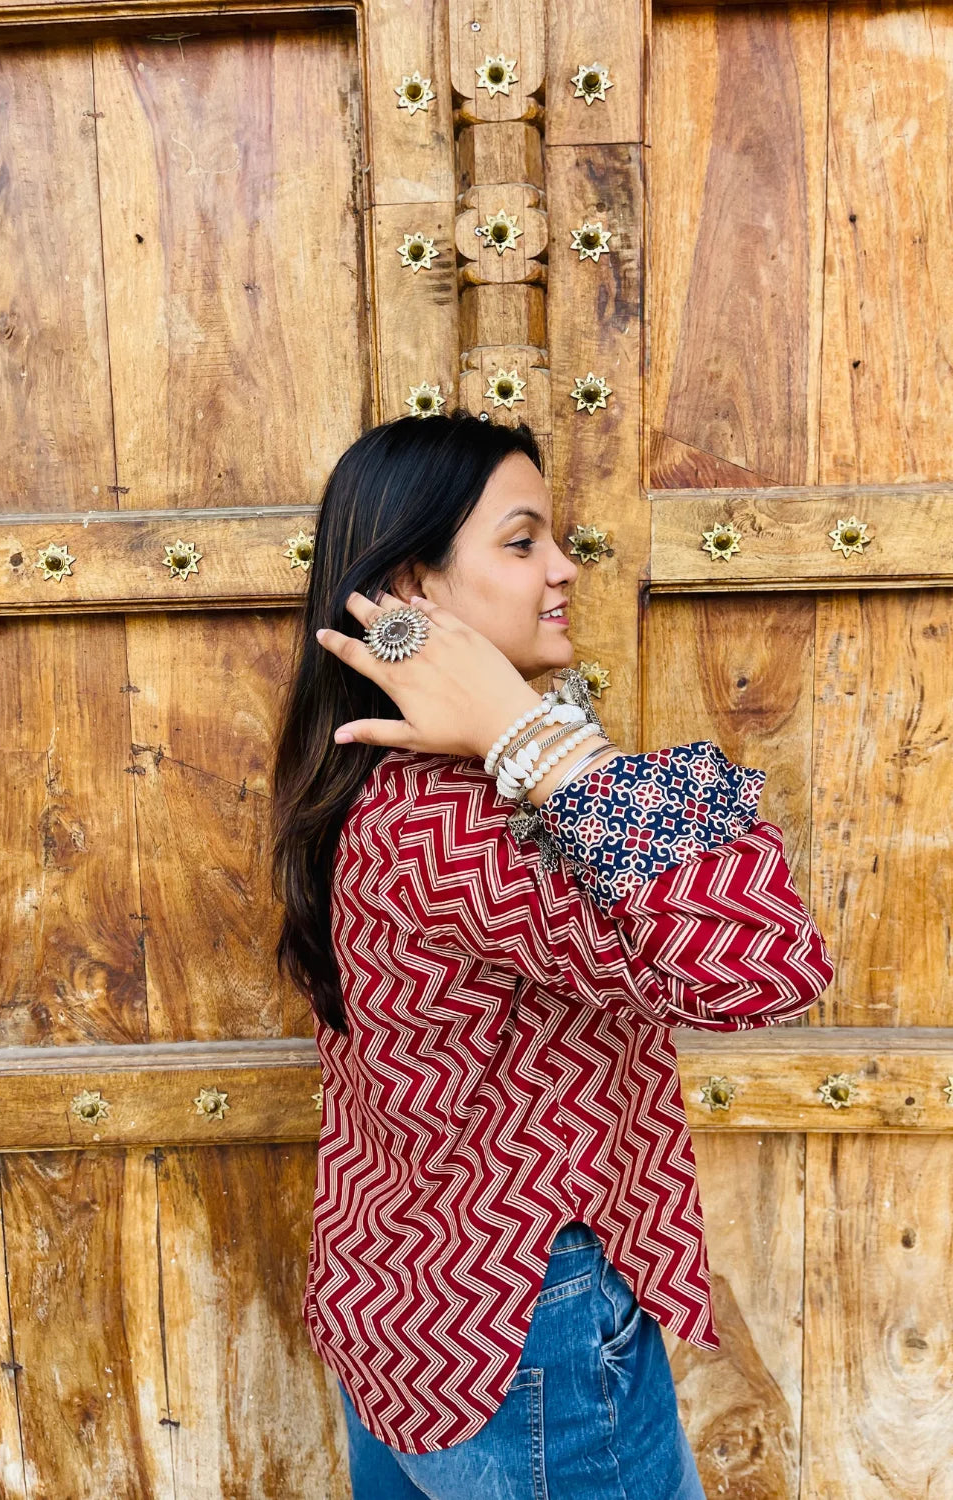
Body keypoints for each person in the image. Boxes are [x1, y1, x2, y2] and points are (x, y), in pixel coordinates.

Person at [271, 410, 834, 1499]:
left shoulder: (376, 783)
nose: (565, 568)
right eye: (522, 541)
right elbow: (762, 960)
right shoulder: (461, 818)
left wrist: (516, 734)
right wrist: (529, 736)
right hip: (518, 1330)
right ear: (410, 594)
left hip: (403, 1302)